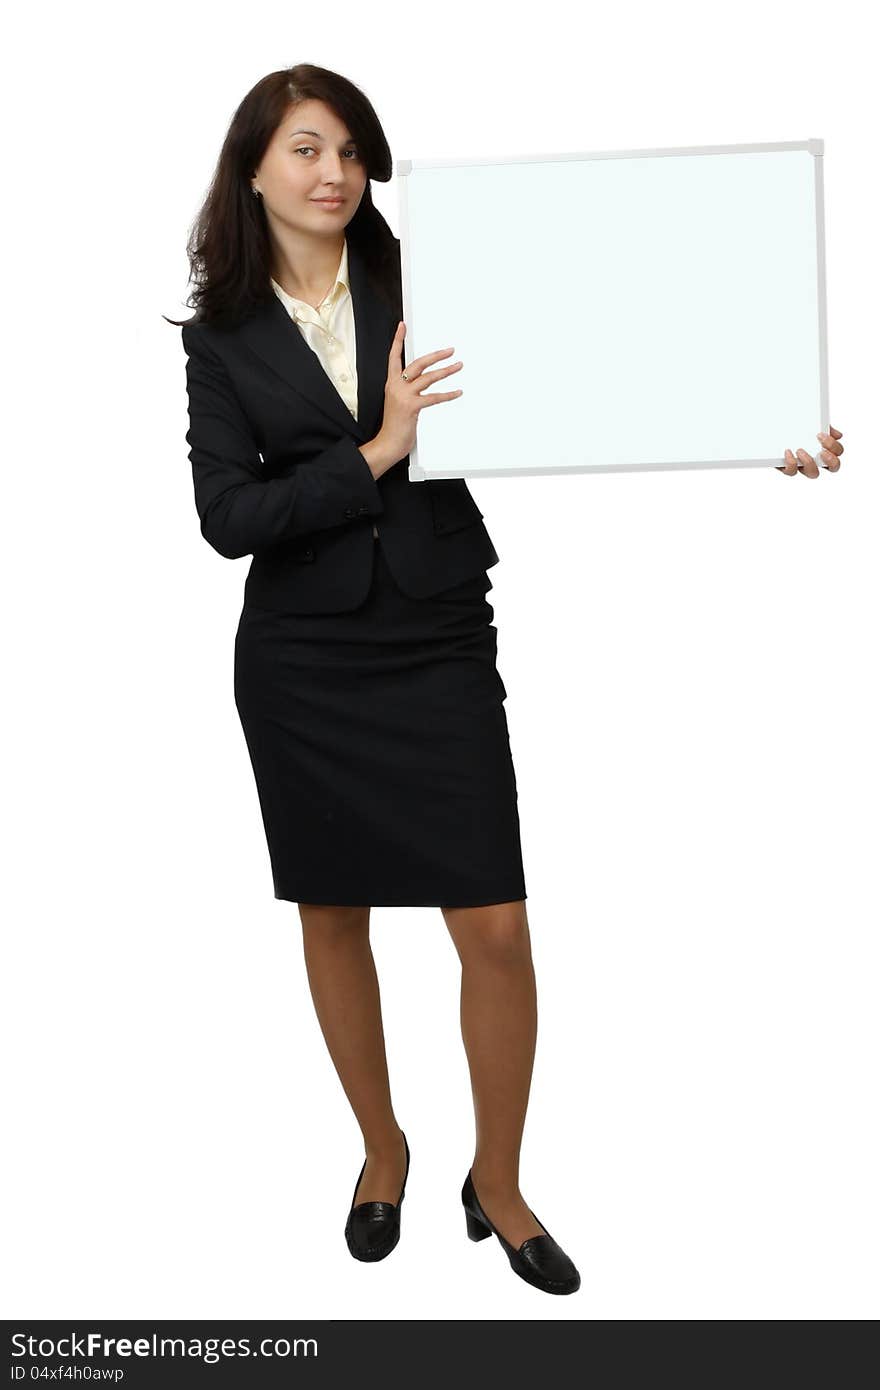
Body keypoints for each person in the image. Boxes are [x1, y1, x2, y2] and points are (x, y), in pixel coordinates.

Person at [171, 64, 845, 1299]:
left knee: (495, 923)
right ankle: (383, 1151)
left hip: (434, 632)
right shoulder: (219, 337)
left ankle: (502, 1177)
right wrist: (380, 448)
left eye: (353, 152)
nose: (334, 173)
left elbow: (611, 349)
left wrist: (771, 419)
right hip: (303, 661)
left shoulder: (430, 275)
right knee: (334, 913)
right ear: (254, 167)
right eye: (307, 149)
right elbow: (227, 515)